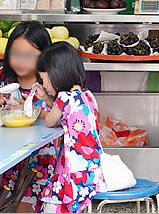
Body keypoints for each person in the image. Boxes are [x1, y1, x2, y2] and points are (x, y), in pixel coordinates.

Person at [0, 21, 55, 212]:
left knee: (24, 208)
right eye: (15, 54)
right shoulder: (2, 77)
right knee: (2, 206)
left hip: (41, 161)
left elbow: (63, 120)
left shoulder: (51, 80)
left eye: (29, 56)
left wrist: (32, 111)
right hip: (7, 159)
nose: (20, 61)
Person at [39, 42, 105, 213]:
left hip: (72, 169)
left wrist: (46, 99)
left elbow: (50, 121)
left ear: (57, 73)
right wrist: (49, 99)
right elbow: (67, 114)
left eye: (44, 79)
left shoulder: (63, 98)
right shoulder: (88, 95)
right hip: (92, 170)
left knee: (52, 205)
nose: (44, 85)